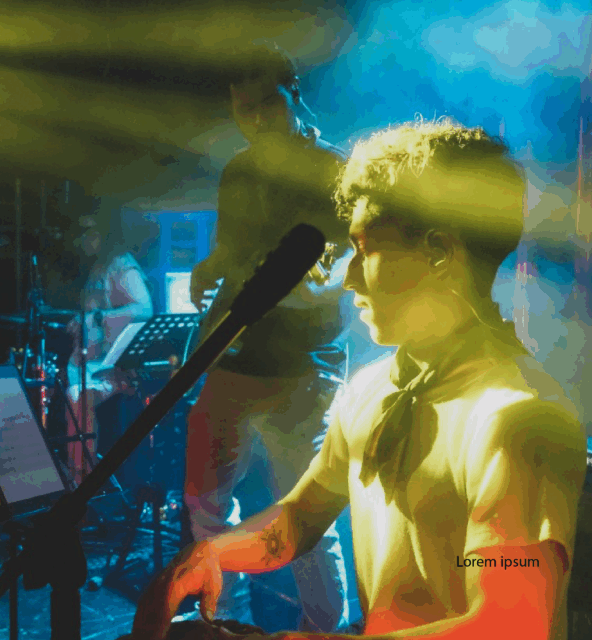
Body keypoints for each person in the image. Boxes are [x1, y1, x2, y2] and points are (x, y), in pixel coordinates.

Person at [131, 119, 587, 640]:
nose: (348, 278)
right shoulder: (373, 388)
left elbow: (512, 624)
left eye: (365, 249)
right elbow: (299, 518)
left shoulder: (517, 420)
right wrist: (211, 552)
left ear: (439, 252)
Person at [184, 41, 361, 631]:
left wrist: (290, 288)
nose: (255, 118)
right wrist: (209, 270)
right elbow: (230, 253)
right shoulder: (238, 171)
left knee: (303, 520)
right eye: (244, 108)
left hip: (302, 368)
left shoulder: (333, 170)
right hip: (233, 359)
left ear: (294, 93)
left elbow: (341, 270)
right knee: (205, 508)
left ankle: (323, 633)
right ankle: (222, 625)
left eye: (267, 103)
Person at [62, 212, 153, 484]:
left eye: (89, 233)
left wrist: (97, 318)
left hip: (116, 368)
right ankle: (74, 472)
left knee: (79, 397)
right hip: (91, 366)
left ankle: (83, 480)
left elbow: (143, 309)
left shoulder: (121, 265)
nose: (82, 240)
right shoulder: (97, 268)